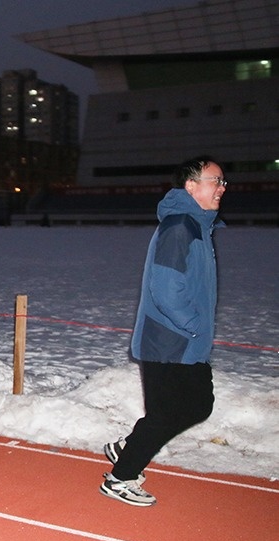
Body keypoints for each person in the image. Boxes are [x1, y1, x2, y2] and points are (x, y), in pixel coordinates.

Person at [100, 156, 226, 507]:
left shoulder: (198, 225)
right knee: (168, 413)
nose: (222, 188)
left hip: (185, 341)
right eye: (216, 180)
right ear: (191, 186)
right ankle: (121, 478)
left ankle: (127, 446)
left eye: (223, 181)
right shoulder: (180, 227)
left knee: (199, 405)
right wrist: (195, 325)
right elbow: (166, 289)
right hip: (168, 341)